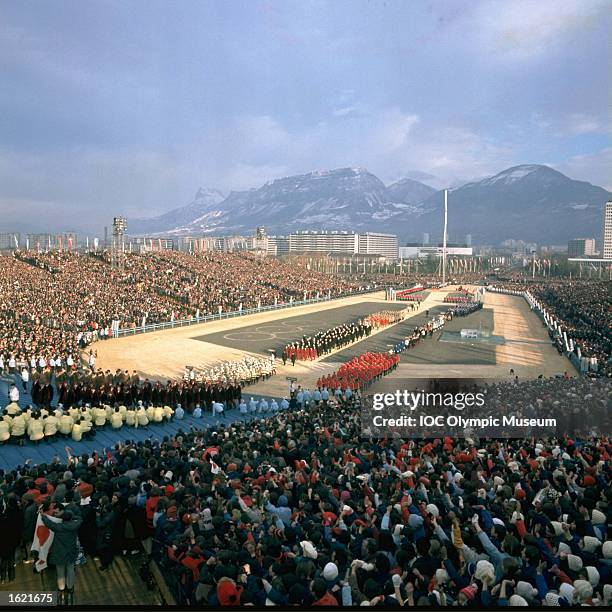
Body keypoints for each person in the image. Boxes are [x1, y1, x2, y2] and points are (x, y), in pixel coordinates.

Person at [40, 507, 83, 605]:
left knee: (60, 572)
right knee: (70, 569)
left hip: (59, 552)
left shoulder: (58, 527)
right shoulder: (75, 525)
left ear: (63, 518)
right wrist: (72, 516)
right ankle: (70, 587)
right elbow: (80, 518)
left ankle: (61, 588)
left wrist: (43, 515)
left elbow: (48, 523)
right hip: (71, 551)